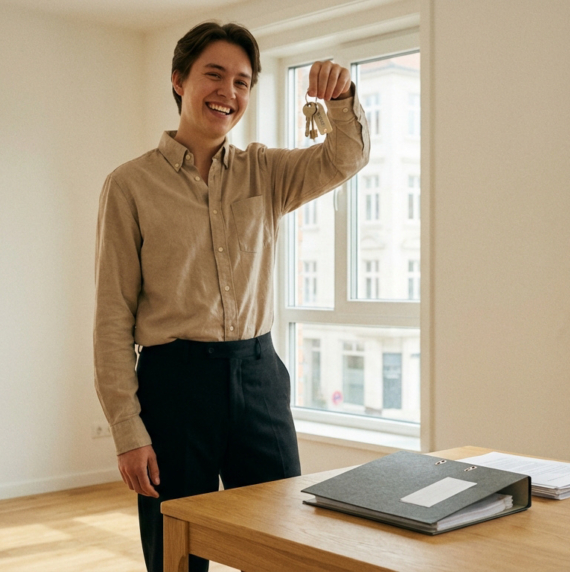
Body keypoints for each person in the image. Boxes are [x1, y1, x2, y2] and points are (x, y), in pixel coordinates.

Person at [93, 21, 369, 572]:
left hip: (259, 376)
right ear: (179, 80)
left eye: (242, 82)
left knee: (281, 546)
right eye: (214, 75)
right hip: (174, 387)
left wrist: (341, 99)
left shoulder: (266, 172)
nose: (229, 93)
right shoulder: (129, 186)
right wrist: (127, 430)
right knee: (176, 556)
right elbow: (111, 318)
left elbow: (346, 158)